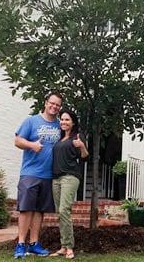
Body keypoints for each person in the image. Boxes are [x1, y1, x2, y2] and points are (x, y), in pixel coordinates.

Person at [14, 92, 63, 259]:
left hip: (48, 175)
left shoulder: (59, 125)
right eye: (52, 103)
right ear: (45, 102)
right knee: (26, 208)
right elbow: (17, 140)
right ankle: (21, 244)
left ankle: (34, 243)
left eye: (57, 105)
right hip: (30, 173)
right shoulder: (31, 121)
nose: (54, 106)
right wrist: (31, 145)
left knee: (40, 211)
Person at [49, 109, 88, 259]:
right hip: (56, 178)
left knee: (65, 209)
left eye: (67, 120)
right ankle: (63, 246)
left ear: (73, 123)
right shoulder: (59, 139)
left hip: (70, 177)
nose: (64, 122)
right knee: (60, 212)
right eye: (62, 119)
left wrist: (82, 146)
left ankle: (69, 247)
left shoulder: (77, 137)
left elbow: (84, 157)